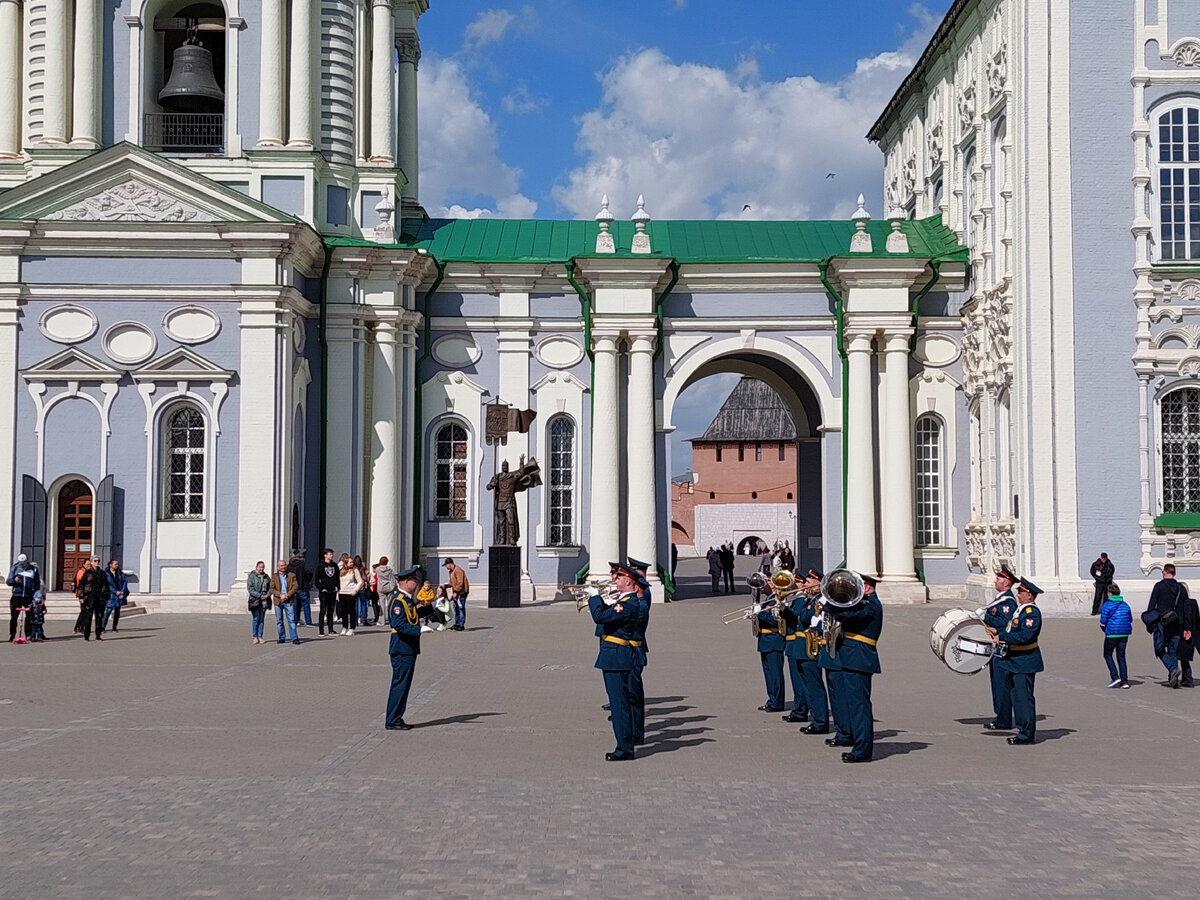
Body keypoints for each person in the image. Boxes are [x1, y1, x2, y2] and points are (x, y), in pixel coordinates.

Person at [827, 573, 883, 762]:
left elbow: (847, 614)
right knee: (854, 705)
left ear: (866, 587)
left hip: (859, 659)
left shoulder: (872, 606)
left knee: (860, 707)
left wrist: (829, 604)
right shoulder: (865, 604)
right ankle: (858, 743)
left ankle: (862, 750)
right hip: (852, 658)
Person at [588, 564, 641, 761]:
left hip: (617, 657)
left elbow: (600, 618)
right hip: (615, 655)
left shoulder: (627, 604)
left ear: (629, 581)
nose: (615, 580)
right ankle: (625, 745)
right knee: (620, 704)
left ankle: (625, 749)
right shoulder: (624, 602)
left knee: (620, 706)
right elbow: (608, 616)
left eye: (619, 577)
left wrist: (593, 597)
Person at [994, 577, 1044, 745]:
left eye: (1021, 591)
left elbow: (1025, 635)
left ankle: (1026, 734)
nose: (1018, 594)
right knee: (1017, 698)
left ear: (1030, 595)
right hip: (1015, 660)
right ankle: (1023, 730)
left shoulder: (1032, 613)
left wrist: (1002, 636)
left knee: (1024, 699)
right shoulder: (1021, 611)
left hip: (1024, 661)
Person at [385, 566, 433, 730]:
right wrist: (418, 629)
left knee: (404, 685)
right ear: (406, 581)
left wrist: (433, 607)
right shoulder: (398, 600)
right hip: (401, 647)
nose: (417, 583)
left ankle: (397, 717)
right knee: (400, 684)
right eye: (415, 580)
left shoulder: (406, 599)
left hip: (408, 648)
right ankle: (392, 719)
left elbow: (413, 614)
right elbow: (398, 624)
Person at [981, 566, 1020, 731]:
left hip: (1002, 648)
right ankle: (1000, 716)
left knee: (1001, 683)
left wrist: (986, 616)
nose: (995, 580)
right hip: (997, 646)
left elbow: (1005, 622)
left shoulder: (1007, 601)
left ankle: (1003, 719)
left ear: (1007, 583)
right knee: (997, 682)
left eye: (999, 578)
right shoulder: (1001, 599)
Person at [795, 569, 831, 736]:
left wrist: (801, 599)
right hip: (806, 645)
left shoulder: (822, 600)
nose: (805, 585)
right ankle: (816, 719)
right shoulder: (813, 599)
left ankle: (820, 721)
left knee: (815, 686)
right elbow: (803, 615)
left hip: (815, 647)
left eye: (809, 582)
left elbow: (806, 617)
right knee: (809, 685)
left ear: (819, 583)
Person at [1146, 563, 1187, 687]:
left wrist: (1150, 622)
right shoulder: (1181, 588)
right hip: (1177, 622)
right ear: (1174, 573)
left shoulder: (1159, 586)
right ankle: (1173, 679)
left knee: (1159, 649)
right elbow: (1185, 607)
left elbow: (1152, 606)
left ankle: (1173, 668)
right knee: (1173, 650)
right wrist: (1186, 627)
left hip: (1162, 622)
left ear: (1164, 572)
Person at [625, 560, 652, 745]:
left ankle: (636, 732)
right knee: (630, 693)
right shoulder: (638, 600)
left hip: (634, 650)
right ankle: (634, 730)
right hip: (633, 649)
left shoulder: (641, 602)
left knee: (634, 694)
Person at [754, 585, 786, 713]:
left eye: (767, 582)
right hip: (765, 640)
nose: (763, 586)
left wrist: (760, 613)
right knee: (769, 673)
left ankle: (777, 702)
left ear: (773, 585)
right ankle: (772, 699)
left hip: (774, 640)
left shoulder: (778, 600)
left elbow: (776, 621)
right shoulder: (768, 599)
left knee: (774, 674)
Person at [1099, 583, 1133, 688]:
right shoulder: (1125, 604)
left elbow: (1103, 620)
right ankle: (1125, 681)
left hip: (1112, 633)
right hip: (1124, 633)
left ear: (1109, 593)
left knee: (1107, 654)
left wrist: (1104, 629)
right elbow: (1130, 619)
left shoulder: (1107, 604)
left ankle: (1115, 676)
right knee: (1121, 656)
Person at [7, 553, 40, 642]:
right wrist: (14, 580)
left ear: (26, 562)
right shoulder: (15, 568)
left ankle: (28, 634)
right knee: (14, 617)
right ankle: (12, 635)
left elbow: (37, 583)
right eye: (20, 563)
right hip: (16, 596)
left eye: (23, 563)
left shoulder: (33, 569)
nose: (21, 565)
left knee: (29, 617)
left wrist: (36, 593)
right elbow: (8, 581)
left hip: (28, 596)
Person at [270, 559, 300, 645]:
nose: (283, 567)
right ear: (278, 567)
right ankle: (281, 637)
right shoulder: (274, 576)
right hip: (278, 601)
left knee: (291, 619)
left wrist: (287, 595)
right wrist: (280, 595)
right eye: (281, 566)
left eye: (284, 565)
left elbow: (295, 586)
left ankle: (294, 637)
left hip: (288, 600)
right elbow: (272, 589)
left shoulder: (291, 575)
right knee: (279, 620)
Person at [1176, 584, 1199, 688]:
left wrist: (1187, 629)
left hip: (1185, 631)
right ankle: (1186, 678)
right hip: (1195, 631)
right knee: (1184, 656)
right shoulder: (1193, 602)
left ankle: (1187, 679)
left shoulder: (1181, 603)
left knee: (1183, 656)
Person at [79, 557, 108, 640]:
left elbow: (106, 585)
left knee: (99, 617)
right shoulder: (88, 573)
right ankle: (86, 635)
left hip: (100, 597)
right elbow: (81, 585)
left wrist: (106, 596)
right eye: (95, 561)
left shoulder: (102, 573)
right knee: (88, 617)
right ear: (91, 562)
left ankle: (98, 635)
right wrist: (81, 596)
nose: (97, 562)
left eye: (98, 561)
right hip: (89, 597)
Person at [337, 553, 362, 635]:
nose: (351, 563)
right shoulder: (341, 571)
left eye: (352, 562)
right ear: (345, 563)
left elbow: (360, 581)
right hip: (342, 593)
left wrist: (355, 590)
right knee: (343, 611)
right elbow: (339, 581)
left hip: (351, 592)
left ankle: (352, 627)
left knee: (351, 610)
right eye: (350, 562)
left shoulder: (355, 570)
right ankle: (344, 627)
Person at [315, 548, 339, 636]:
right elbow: (316, 579)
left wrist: (337, 587)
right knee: (323, 610)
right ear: (325, 555)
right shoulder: (320, 566)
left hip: (333, 590)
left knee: (331, 610)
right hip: (324, 591)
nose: (331, 556)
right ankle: (321, 630)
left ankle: (331, 629)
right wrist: (321, 588)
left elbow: (337, 577)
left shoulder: (334, 565)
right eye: (329, 554)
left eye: (332, 554)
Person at [247, 561, 271, 644]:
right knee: (256, 618)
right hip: (255, 600)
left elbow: (270, 587)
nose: (261, 569)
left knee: (261, 619)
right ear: (256, 567)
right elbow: (250, 589)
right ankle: (255, 636)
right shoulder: (252, 576)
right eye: (260, 567)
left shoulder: (266, 577)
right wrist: (259, 595)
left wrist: (267, 595)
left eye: (263, 567)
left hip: (264, 600)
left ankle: (260, 636)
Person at [102, 559, 129, 634]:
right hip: (111, 595)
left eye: (117, 564)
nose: (117, 565)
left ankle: (114, 627)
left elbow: (125, 581)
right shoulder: (106, 573)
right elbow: (106, 585)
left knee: (117, 612)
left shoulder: (120, 573)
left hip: (120, 594)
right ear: (110, 565)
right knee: (108, 611)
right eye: (115, 564)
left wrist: (122, 591)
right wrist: (114, 591)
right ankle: (102, 627)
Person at [287, 550, 312, 627]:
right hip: (302, 587)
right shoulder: (303, 565)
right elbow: (310, 572)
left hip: (292, 588)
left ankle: (295, 621)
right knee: (306, 604)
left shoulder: (289, 566)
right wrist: (307, 581)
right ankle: (308, 622)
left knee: (294, 605)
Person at [444, 558, 469, 631]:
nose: (446, 567)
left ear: (450, 564)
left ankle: (461, 624)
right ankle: (457, 623)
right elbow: (452, 582)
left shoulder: (458, 570)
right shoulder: (451, 571)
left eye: (446, 565)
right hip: (456, 592)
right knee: (456, 608)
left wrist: (456, 592)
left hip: (461, 592)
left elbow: (460, 583)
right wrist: (447, 586)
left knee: (461, 608)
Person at [353, 554, 371, 627]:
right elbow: (364, 577)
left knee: (356, 604)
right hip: (362, 587)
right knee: (364, 604)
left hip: (355, 587)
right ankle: (364, 619)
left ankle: (356, 619)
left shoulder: (353, 569)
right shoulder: (362, 568)